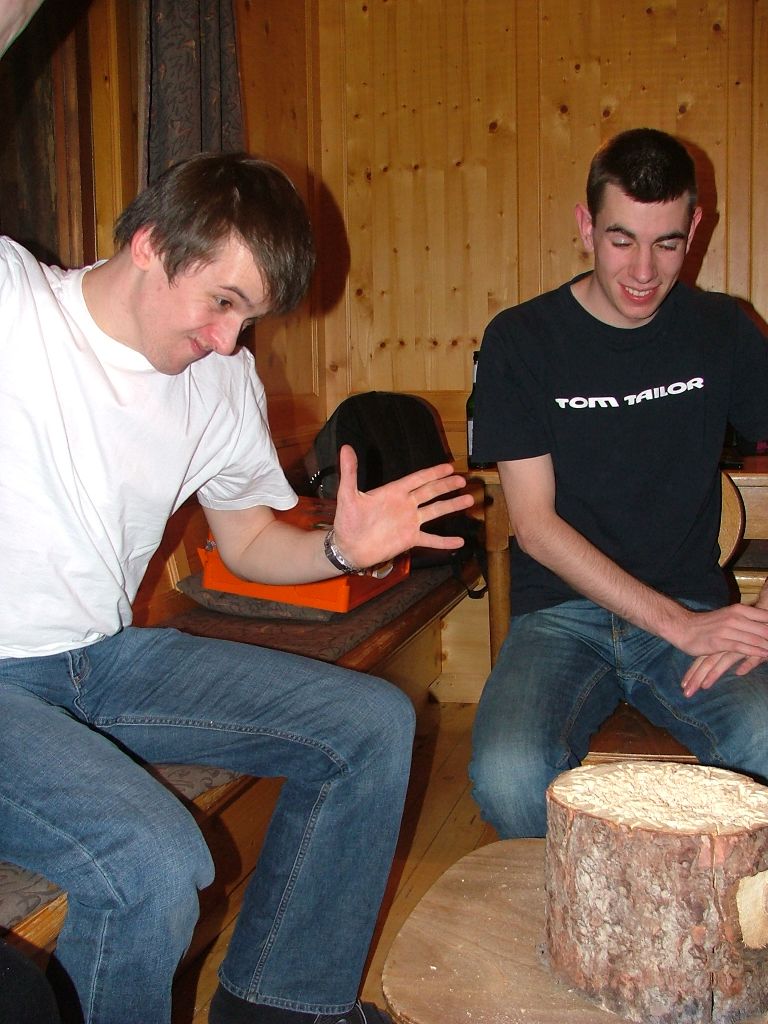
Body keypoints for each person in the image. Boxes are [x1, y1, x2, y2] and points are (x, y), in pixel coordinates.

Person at [0, 4, 474, 1023]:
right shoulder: (15, 305)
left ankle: (283, 1006)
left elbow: (251, 538)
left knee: (372, 724)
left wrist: (340, 545)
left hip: (100, 662)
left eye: (249, 317)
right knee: (151, 862)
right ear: (147, 243)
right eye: (222, 301)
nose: (228, 341)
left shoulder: (218, 382)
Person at [470, 127, 768, 839]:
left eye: (667, 243)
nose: (643, 270)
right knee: (509, 775)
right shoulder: (521, 340)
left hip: (693, 604)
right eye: (621, 239)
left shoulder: (722, 330)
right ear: (586, 226)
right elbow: (535, 527)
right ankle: (572, 903)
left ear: (695, 228)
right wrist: (677, 624)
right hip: (560, 615)